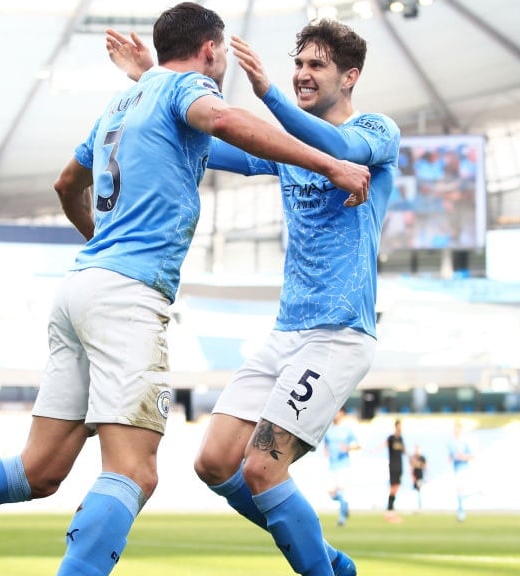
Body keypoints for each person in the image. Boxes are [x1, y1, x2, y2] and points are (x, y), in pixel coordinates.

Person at [0, 4, 369, 576]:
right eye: (225, 54)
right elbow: (229, 123)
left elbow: (66, 184)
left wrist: (101, 238)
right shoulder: (187, 88)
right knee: (133, 472)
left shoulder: (124, 105)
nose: (227, 65)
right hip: (127, 296)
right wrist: (331, 167)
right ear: (210, 51)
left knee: (39, 469)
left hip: (82, 285)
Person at [107, 16, 398, 576]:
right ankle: (328, 560)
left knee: (264, 469)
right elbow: (207, 140)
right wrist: (152, 82)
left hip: (338, 334)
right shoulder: (288, 147)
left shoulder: (377, 132)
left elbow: (337, 146)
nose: (302, 75)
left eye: (317, 66)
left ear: (351, 76)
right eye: (299, 65)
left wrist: (265, 93)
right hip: (287, 332)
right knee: (214, 462)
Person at [322, 406, 359, 527]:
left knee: (342, 491)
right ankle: (345, 505)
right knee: (331, 493)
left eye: (338, 412)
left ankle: (342, 518)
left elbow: (358, 445)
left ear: (342, 414)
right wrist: (326, 450)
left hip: (344, 466)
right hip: (332, 466)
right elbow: (325, 444)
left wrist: (348, 448)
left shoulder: (347, 430)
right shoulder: (328, 430)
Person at [449, 419, 476, 522]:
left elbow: (471, 456)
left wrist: (463, 457)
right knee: (459, 491)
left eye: (457, 429)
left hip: (463, 469)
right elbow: (451, 456)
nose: (455, 431)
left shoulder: (464, 443)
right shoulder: (451, 443)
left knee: (460, 490)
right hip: (456, 469)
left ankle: (461, 513)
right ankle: (461, 512)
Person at [385, 419, 406, 523]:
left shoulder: (401, 439)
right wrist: (373, 450)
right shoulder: (391, 438)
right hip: (393, 465)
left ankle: (391, 511)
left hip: (399, 465)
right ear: (396, 426)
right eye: (399, 426)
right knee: (393, 488)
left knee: (396, 487)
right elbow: (384, 445)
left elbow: (404, 451)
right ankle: (389, 511)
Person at [409, 443, 427, 509]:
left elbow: (425, 467)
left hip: (421, 476)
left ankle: (420, 505)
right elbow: (411, 468)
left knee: (420, 490)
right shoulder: (413, 457)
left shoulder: (422, 458)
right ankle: (417, 506)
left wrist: (428, 475)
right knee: (416, 491)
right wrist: (413, 477)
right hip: (415, 477)